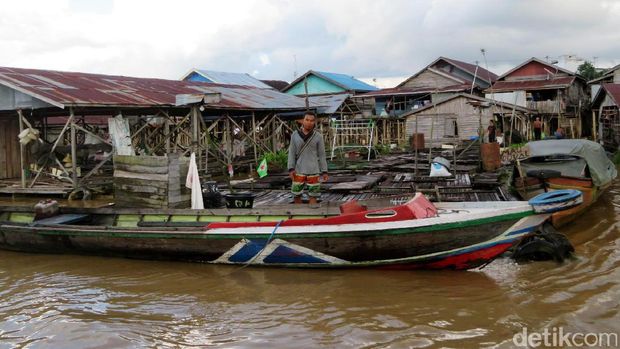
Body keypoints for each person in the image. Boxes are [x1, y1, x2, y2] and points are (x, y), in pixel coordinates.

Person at [287, 111, 328, 205]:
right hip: (298, 170)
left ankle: (311, 215)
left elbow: (322, 155)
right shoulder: (294, 135)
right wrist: (291, 168)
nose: (309, 122)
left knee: (313, 195)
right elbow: (291, 153)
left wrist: (324, 171)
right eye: (307, 120)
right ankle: (298, 215)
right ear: (302, 121)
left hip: (314, 170)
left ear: (315, 122)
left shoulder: (318, 136)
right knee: (296, 194)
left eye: (312, 120)